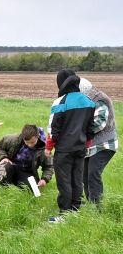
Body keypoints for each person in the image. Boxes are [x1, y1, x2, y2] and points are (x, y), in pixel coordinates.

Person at [45, 70, 98, 222]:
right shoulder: (89, 101)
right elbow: (91, 128)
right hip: (81, 148)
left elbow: (53, 128)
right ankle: (76, 210)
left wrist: (49, 147)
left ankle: (64, 213)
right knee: (77, 179)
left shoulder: (60, 101)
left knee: (64, 180)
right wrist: (87, 144)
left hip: (64, 149)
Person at [79, 77, 117, 205]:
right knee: (85, 175)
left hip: (104, 144)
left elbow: (99, 123)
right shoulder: (86, 99)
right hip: (91, 145)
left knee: (93, 174)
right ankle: (91, 205)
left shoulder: (99, 99)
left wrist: (79, 133)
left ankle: (96, 207)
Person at [0, 124, 53, 190]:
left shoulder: (44, 149)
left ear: (37, 137)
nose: (30, 145)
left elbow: (49, 166)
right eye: (27, 142)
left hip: (26, 171)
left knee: (32, 190)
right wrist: (3, 157)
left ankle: (17, 183)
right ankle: (4, 188)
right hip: (11, 166)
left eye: (32, 142)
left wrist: (44, 179)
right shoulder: (13, 139)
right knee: (4, 168)